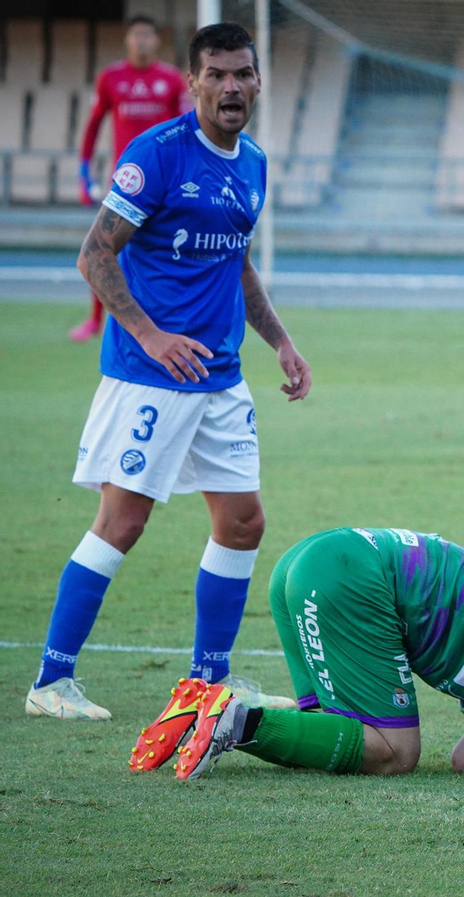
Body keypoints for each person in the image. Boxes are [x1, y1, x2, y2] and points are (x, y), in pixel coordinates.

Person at [25, 23, 310, 721]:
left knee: (243, 522)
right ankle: (51, 682)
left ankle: (208, 679)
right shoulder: (155, 155)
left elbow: (236, 262)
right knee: (123, 522)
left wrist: (279, 339)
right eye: (216, 75)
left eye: (243, 74)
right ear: (194, 82)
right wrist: (149, 335)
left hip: (220, 377)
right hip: (149, 376)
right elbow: (94, 255)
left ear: (258, 81)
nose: (232, 87)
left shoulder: (254, 164)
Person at [127, 527, 464, 781]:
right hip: (347, 574)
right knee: (396, 753)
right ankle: (235, 719)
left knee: (342, 735)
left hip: (317, 561)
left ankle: (206, 711)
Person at [71, 15, 190, 343]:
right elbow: (94, 125)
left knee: (165, 249)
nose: (141, 41)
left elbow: (186, 130)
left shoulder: (172, 79)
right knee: (105, 249)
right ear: (127, 40)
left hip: (167, 182)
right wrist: (84, 175)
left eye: (147, 36)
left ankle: (168, 317)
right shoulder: (110, 78)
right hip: (125, 182)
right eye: (136, 35)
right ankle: (96, 321)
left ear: (157, 41)